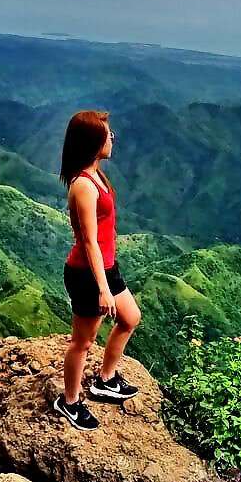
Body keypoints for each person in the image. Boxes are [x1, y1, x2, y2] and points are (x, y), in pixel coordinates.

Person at [55, 110, 141, 431]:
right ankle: (70, 401)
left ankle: (105, 379)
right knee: (83, 342)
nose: (112, 137)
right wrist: (103, 289)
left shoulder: (97, 175)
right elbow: (89, 242)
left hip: (106, 267)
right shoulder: (84, 186)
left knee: (130, 318)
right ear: (93, 142)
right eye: (107, 133)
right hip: (87, 273)